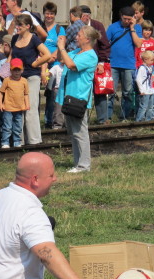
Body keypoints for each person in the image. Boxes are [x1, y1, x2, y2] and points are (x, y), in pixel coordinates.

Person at [56, 26, 98, 173]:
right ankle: (77, 163)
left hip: (78, 98)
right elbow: (62, 59)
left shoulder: (90, 55)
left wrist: (62, 48)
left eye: (79, 35)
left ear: (87, 39)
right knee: (73, 132)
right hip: (68, 96)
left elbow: (71, 65)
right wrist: (60, 46)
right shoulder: (76, 51)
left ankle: (84, 165)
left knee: (80, 132)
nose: (76, 37)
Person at [10, 13, 50, 146]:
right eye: (16, 24)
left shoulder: (34, 39)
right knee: (18, 108)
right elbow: (11, 56)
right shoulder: (15, 38)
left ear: (28, 26)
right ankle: (19, 140)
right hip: (17, 78)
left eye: (20, 25)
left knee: (30, 107)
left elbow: (47, 55)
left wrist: (35, 64)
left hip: (32, 76)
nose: (17, 27)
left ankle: (34, 140)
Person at [106, 6, 143, 121]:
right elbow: (106, 44)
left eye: (129, 19)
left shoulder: (137, 28)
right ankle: (107, 117)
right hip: (113, 64)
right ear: (120, 16)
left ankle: (124, 116)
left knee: (127, 92)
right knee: (110, 91)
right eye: (124, 19)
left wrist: (132, 28)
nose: (126, 21)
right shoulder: (112, 27)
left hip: (128, 64)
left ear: (133, 18)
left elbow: (138, 44)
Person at [80, 5, 110, 125]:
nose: (84, 18)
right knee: (83, 92)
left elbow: (105, 45)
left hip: (96, 63)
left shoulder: (97, 26)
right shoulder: (77, 26)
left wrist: (102, 62)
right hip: (82, 64)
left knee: (100, 91)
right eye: (82, 16)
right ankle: (83, 118)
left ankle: (102, 119)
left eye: (86, 16)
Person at [41, 1, 64, 129]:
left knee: (51, 93)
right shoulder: (40, 28)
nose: (49, 16)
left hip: (53, 65)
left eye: (51, 14)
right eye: (47, 13)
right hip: (39, 63)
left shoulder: (59, 29)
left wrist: (50, 57)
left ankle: (49, 120)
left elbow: (61, 45)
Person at [0, 57, 27, 148]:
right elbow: (1, 92)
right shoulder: (7, 80)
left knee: (18, 126)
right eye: (14, 70)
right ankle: (5, 142)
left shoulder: (24, 81)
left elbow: (26, 94)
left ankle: (17, 141)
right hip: (8, 107)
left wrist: (27, 104)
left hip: (19, 107)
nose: (17, 72)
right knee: (7, 126)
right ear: (10, 70)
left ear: (22, 70)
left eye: (19, 70)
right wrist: (0, 103)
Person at [135, 20, 154, 121]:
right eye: (145, 29)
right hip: (141, 69)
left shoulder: (153, 41)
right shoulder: (139, 41)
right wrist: (138, 66)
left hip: (152, 69)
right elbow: (136, 55)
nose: (147, 32)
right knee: (141, 96)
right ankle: (139, 117)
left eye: (150, 30)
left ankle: (150, 117)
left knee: (152, 94)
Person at [135, 50, 154, 122]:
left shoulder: (151, 67)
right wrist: (141, 90)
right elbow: (138, 79)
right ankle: (139, 120)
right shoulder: (142, 68)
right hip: (145, 91)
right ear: (146, 59)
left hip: (150, 90)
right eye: (151, 60)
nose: (153, 61)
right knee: (143, 106)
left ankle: (148, 120)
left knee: (150, 107)